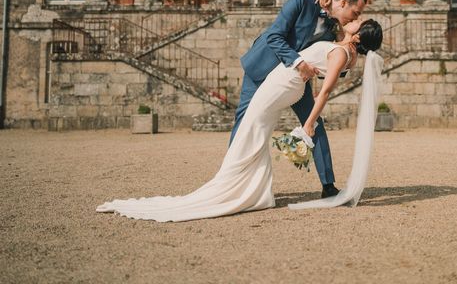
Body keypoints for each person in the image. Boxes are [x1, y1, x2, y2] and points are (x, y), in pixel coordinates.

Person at [96, 20, 383, 222]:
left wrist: (309, 124)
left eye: (360, 22)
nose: (354, 21)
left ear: (359, 35)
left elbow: (324, 92)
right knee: (256, 129)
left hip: (284, 84)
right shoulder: (347, 54)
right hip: (287, 82)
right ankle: (255, 192)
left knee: (251, 126)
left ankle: (229, 186)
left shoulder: (342, 52)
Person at [231, 0, 367, 198]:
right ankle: (231, 178)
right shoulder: (302, 2)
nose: (355, 18)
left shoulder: (335, 28)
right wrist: (299, 62)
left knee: (313, 123)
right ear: (343, 3)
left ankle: (328, 186)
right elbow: (274, 36)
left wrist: (348, 42)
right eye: (356, 13)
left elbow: (331, 66)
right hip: (264, 67)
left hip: (295, 82)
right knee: (244, 120)